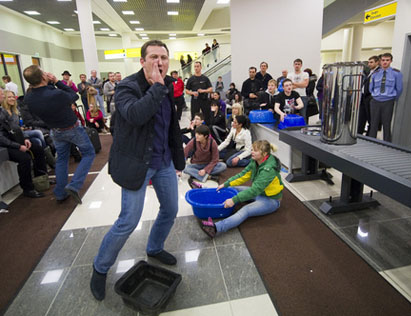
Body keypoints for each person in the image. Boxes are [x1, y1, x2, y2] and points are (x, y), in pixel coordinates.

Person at [91, 40, 185, 301]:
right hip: (137, 164)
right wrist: (156, 87)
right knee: (128, 221)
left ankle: (154, 247)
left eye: (164, 57)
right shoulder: (127, 87)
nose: (160, 62)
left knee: (170, 209)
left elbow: (170, 126)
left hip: (163, 161)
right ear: (142, 60)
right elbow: (135, 115)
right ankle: (99, 268)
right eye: (154, 57)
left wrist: (178, 159)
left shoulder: (167, 86)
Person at [23, 65, 95, 204]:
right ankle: (74, 185)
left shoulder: (29, 97)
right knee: (89, 153)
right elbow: (74, 95)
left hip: (55, 130)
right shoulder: (55, 93)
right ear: (43, 77)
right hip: (72, 128)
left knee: (62, 160)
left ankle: (60, 193)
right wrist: (56, 81)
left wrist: (50, 84)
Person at [201, 140, 283, 237]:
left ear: (264, 153)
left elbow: (254, 191)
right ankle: (213, 202)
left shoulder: (268, 170)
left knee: (245, 210)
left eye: (255, 151)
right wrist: (226, 184)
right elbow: (242, 175)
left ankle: (215, 228)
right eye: (252, 149)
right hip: (259, 193)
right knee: (232, 188)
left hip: (271, 200)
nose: (252, 152)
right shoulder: (255, 161)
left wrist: (234, 199)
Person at [0, 88, 46, 198]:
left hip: (16, 140)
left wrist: (25, 139)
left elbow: (18, 129)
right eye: (8, 96)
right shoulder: (2, 113)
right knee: (24, 158)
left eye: (13, 96)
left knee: (38, 148)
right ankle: (28, 188)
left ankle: (41, 178)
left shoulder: (15, 112)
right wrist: (18, 146)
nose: (12, 98)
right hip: (6, 144)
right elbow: (1, 137)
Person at [368, 52, 403, 142]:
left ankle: (387, 144)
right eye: (383, 60)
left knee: (386, 124)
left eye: (387, 60)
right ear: (380, 61)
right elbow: (371, 87)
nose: (385, 62)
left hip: (388, 101)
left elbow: (399, 88)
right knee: (373, 124)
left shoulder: (396, 73)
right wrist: (375, 95)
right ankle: (371, 142)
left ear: (391, 61)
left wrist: (393, 98)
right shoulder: (375, 73)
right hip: (375, 100)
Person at [358, 56, 380, 135]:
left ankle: (369, 136)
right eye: (369, 62)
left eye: (371, 62)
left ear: (377, 62)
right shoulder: (370, 72)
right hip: (364, 97)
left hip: (370, 97)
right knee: (361, 117)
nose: (369, 64)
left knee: (371, 119)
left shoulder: (378, 72)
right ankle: (359, 134)